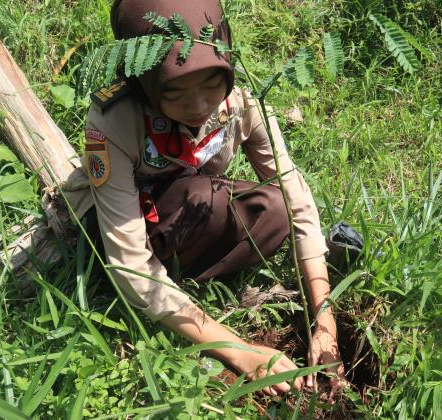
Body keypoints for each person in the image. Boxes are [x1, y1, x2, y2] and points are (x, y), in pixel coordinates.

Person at [63, 0, 346, 398]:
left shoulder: (240, 102)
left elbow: (293, 195)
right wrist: (238, 349)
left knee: (275, 210)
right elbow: (129, 263)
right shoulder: (114, 121)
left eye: (212, 85)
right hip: (121, 231)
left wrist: (325, 320)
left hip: (190, 211)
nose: (198, 107)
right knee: (205, 198)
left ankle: (182, 282)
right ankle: (177, 300)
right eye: (175, 92)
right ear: (144, 81)